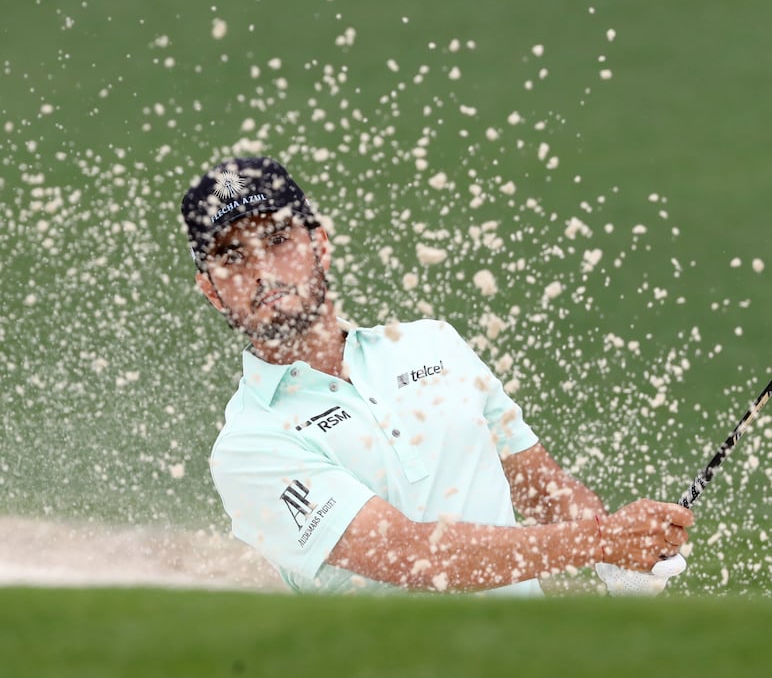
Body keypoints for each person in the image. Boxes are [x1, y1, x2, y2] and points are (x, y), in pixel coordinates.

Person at [181, 155, 693, 596]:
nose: (263, 271)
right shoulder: (248, 445)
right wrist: (599, 542)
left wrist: (616, 551)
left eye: (277, 240)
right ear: (210, 289)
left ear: (320, 245)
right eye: (232, 256)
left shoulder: (433, 343)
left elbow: (541, 489)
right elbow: (413, 555)